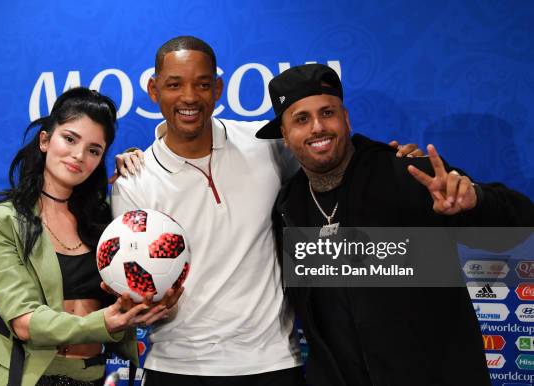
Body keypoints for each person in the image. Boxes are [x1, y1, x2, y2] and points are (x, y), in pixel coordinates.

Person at [111, 36, 422, 386]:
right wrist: (146, 305)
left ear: (217, 88)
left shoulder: (267, 146)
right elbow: (134, 288)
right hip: (177, 367)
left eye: (201, 84)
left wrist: (391, 163)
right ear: (154, 90)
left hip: (272, 363)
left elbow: (329, 161)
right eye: (174, 85)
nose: (188, 97)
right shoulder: (132, 181)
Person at [256, 63, 534, 386]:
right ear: (285, 138)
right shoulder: (289, 209)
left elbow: (518, 226)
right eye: (301, 119)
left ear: (346, 120)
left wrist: (477, 203)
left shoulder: (410, 175)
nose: (318, 127)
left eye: (327, 113)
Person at [0, 87, 170, 386]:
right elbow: (24, 322)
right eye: (70, 139)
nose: (79, 156)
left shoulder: (105, 220)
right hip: (19, 375)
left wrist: (137, 171)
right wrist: (103, 323)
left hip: (90, 374)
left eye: (94, 150)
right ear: (45, 140)